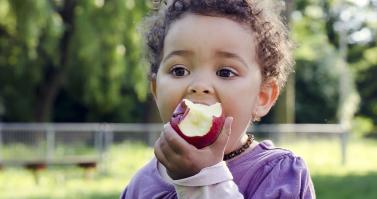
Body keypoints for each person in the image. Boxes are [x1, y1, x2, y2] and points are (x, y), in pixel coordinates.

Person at [121, 0, 315, 198]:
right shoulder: (140, 185)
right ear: (155, 90)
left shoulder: (278, 175)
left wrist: (201, 180)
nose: (199, 86)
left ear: (262, 97)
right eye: (179, 70)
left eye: (225, 72)